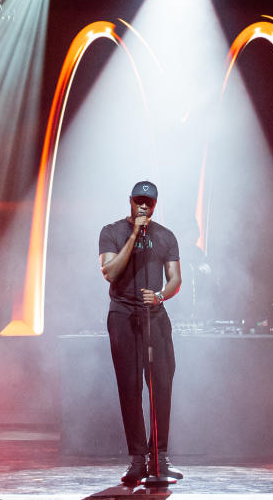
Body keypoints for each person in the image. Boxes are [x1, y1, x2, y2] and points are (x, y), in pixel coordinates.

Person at [99, 181, 183, 484]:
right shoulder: (111, 231)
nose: (144, 206)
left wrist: (161, 295)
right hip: (123, 315)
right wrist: (134, 234)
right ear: (130, 201)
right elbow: (109, 271)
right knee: (130, 387)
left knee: (161, 385)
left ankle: (159, 459)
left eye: (149, 201)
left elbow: (175, 278)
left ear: (156, 203)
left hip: (155, 316)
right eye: (138, 200)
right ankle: (137, 460)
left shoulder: (165, 236)